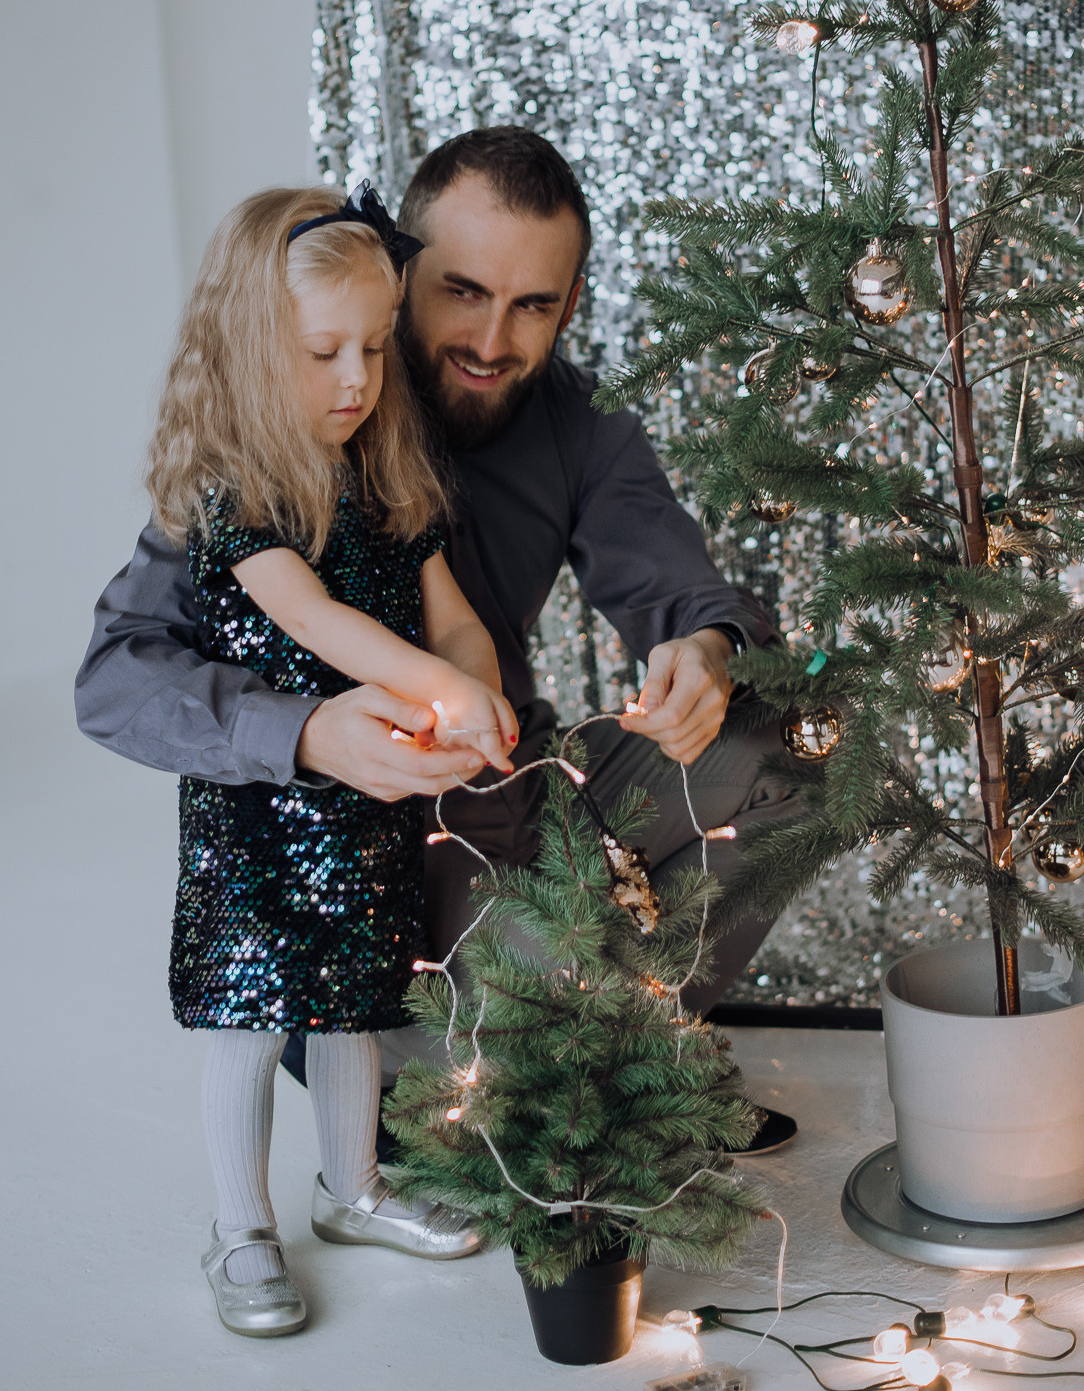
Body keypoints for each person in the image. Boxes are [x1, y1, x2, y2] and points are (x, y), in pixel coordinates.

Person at [76, 127, 799, 1160]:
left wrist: (705, 650)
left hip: (519, 793)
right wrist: (310, 735)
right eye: (461, 291)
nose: (491, 339)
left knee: (802, 743)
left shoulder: (581, 428)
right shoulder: (284, 429)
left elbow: (681, 593)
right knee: (545, 990)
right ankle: (528, 1062)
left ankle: (612, 1049)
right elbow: (113, 679)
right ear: (397, 270)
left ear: (569, 307)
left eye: (531, 305)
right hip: (360, 872)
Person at [137, 182, 521, 1339]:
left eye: (371, 349)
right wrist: (433, 686)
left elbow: (444, 610)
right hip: (262, 816)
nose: (355, 379)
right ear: (254, 352)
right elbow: (314, 621)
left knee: (356, 1001)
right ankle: (239, 1226)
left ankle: (350, 1190)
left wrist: (476, 680)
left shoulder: (381, 475)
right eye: (322, 352)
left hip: (365, 813)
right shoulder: (235, 493)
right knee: (252, 1021)